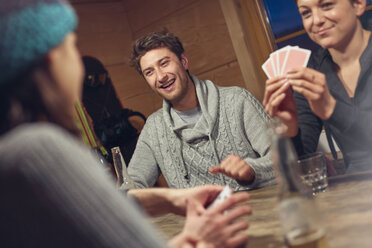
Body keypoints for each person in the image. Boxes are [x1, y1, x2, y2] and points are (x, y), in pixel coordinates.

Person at [0, 1, 253, 247]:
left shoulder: (12, 152)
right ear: (52, 61)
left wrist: (170, 200)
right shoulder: (38, 152)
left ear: (183, 62)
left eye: (164, 63)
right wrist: (199, 242)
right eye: (72, 48)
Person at [127, 31, 276, 190]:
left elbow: (283, 157)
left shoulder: (238, 100)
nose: (160, 76)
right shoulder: (154, 128)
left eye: (164, 63)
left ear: (183, 61)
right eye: (149, 72)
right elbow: (132, 184)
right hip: (198, 215)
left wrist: (251, 170)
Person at [263, 0, 372, 173]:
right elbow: (302, 165)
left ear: (358, 4)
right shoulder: (311, 71)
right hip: (356, 188)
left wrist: (332, 108)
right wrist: (290, 130)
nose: (316, 20)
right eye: (306, 13)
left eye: (327, 5)